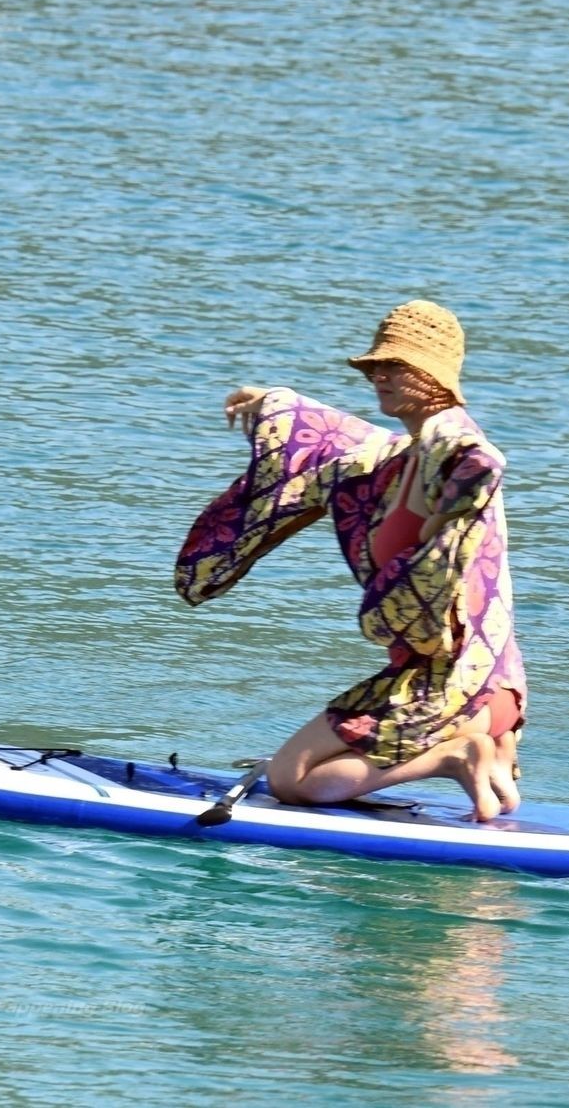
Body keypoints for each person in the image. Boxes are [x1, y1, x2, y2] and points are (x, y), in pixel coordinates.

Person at [174, 300, 526, 820]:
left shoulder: (448, 445)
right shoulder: (397, 457)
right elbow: (330, 441)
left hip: (452, 687)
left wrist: (459, 497)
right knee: (308, 767)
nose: (380, 377)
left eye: (396, 366)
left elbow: (481, 458)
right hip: (487, 684)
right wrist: (269, 404)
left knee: (291, 779)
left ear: (433, 373)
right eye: (375, 367)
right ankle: (488, 759)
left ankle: (454, 757)